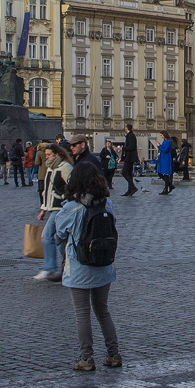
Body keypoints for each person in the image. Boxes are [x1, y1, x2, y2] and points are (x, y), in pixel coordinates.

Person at [40, 160, 121, 371]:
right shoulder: (107, 204)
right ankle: (114, 354)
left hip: (80, 266)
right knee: (103, 310)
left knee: (82, 313)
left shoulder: (70, 208)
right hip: (104, 265)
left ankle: (86, 357)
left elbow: (59, 235)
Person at [35, 142, 75, 282]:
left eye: (49, 155)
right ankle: (68, 264)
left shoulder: (65, 167)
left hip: (61, 208)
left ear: (57, 154)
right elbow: (47, 192)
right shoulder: (51, 168)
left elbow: (72, 186)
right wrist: (43, 209)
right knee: (59, 239)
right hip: (52, 207)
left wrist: (62, 197)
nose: (46, 158)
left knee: (46, 236)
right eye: (45, 155)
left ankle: (50, 267)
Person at [121, 123, 140, 196]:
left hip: (130, 157)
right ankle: (129, 190)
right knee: (129, 174)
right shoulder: (129, 135)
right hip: (129, 157)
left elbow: (132, 146)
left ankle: (133, 187)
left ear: (127, 128)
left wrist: (123, 148)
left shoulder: (131, 135)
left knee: (124, 172)